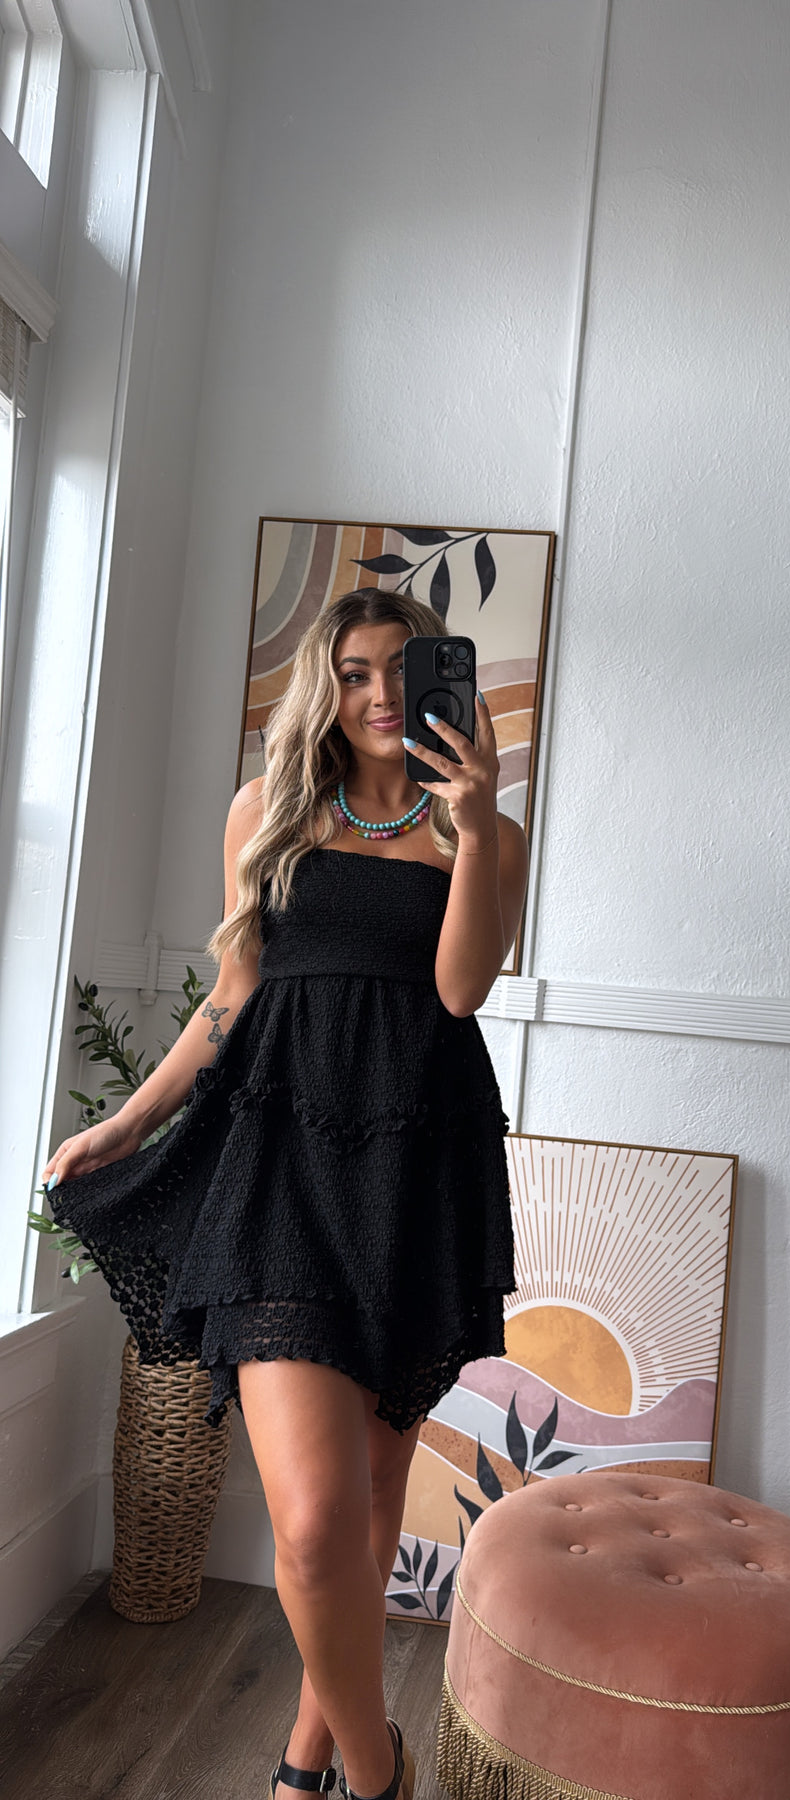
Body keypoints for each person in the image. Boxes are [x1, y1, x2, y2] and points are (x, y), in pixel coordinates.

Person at [41, 587, 528, 1800]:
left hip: (415, 1166)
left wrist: (475, 827)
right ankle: (378, 1771)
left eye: (402, 669)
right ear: (325, 684)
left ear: (438, 678)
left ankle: (303, 1765)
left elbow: (459, 992)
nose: (380, 695)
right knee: (309, 1525)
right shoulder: (264, 812)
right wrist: (129, 1118)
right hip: (280, 1170)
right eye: (354, 672)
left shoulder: (486, 830)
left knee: (371, 1495)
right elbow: (232, 994)